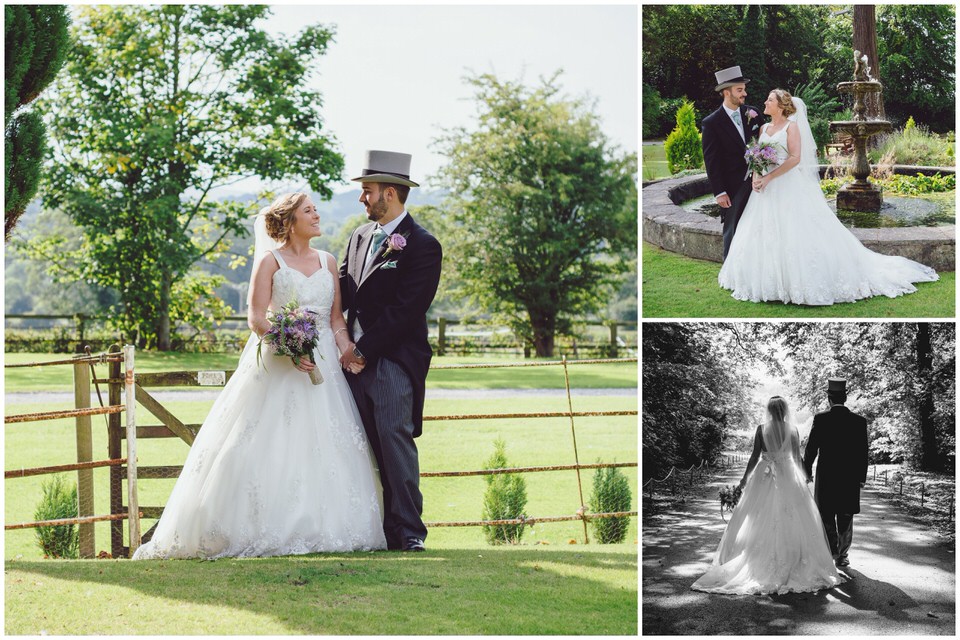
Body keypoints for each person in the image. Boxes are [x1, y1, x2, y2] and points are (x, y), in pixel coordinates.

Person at [133, 192, 387, 559]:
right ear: (289, 221)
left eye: (316, 210)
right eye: (308, 211)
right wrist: (291, 347)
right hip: (281, 362)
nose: (317, 215)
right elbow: (256, 318)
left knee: (327, 442)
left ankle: (324, 525)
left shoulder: (329, 261)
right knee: (268, 442)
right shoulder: (270, 262)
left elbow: (335, 319)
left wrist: (346, 348)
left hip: (326, 364)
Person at [718, 89, 938, 304]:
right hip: (764, 190)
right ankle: (767, 282)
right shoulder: (764, 127)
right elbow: (757, 155)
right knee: (761, 232)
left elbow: (794, 158)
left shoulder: (791, 128)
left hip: (786, 185)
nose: (765, 102)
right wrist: (758, 176)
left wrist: (770, 177)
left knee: (795, 232)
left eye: (770, 99)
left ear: (781, 106)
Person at [338, 150, 443, 552]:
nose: (362, 199)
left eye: (367, 191)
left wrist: (362, 351)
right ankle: (375, 529)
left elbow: (406, 311)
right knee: (360, 444)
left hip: (392, 362)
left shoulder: (422, 245)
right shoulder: (359, 236)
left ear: (391, 193)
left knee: (394, 440)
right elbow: (344, 292)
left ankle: (409, 532)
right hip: (349, 362)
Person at [692, 396, 843, 595]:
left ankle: (756, 558)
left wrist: (745, 479)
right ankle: (794, 558)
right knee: (793, 516)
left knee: (757, 516)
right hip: (788, 475)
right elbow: (797, 458)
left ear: (770, 411)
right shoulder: (793, 430)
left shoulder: (761, 429)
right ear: (785, 410)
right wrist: (805, 477)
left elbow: (755, 456)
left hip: (764, 475)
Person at [803, 378, 869, 568]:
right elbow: (863, 452)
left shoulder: (821, 419)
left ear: (829, 398)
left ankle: (832, 551)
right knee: (846, 516)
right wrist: (862, 478)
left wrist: (807, 470)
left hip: (827, 477)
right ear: (845, 397)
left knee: (826, 514)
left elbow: (811, 449)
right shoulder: (859, 421)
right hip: (850, 478)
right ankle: (843, 555)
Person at [701, 65, 764, 260]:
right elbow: (712, 160)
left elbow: (764, 144)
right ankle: (730, 270)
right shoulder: (711, 123)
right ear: (726, 92)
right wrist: (719, 192)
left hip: (759, 182)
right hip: (732, 186)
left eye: (744, 89)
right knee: (732, 228)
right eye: (740, 90)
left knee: (759, 226)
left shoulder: (753, 113)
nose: (744, 93)